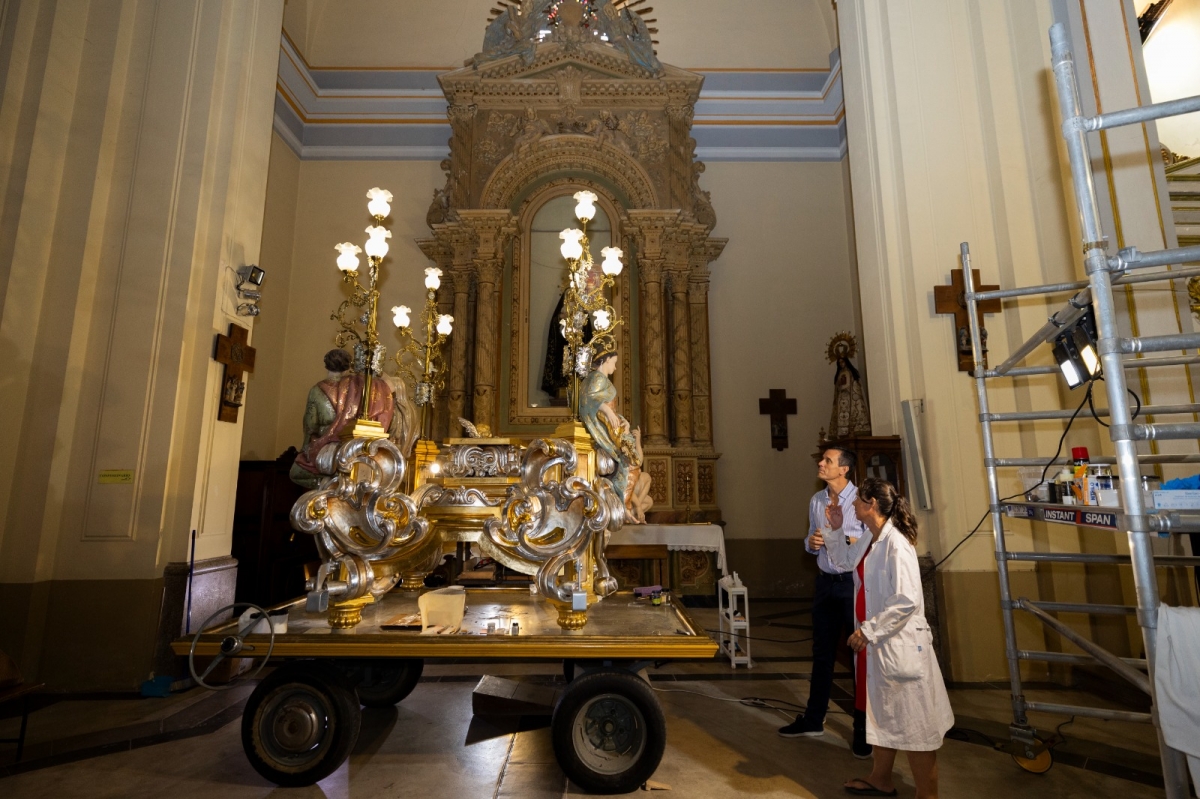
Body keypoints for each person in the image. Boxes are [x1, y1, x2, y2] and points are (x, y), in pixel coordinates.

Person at [820, 478, 954, 798]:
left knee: (915, 725)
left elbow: (907, 599)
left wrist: (869, 630)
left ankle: (927, 795)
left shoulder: (897, 543)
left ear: (872, 505)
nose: (852, 505)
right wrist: (837, 529)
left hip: (900, 645)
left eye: (858, 501)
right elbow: (844, 562)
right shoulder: (872, 536)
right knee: (885, 714)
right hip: (883, 645)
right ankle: (881, 778)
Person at [779, 448, 871, 760]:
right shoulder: (817, 501)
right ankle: (814, 719)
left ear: (844, 469)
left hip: (852, 586)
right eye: (821, 460)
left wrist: (840, 540)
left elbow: (873, 540)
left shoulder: (861, 500)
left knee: (859, 657)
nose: (821, 463)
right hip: (825, 584)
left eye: (828, 461)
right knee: (822, 653)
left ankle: (864, 729)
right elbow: (809, 540)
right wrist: (812, 543)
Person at [578, 351, 651, 524]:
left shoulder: (602, 380)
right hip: (603, 426)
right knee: (629, 462)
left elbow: (612, 410)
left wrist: (622, 421)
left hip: (611, 424)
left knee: (632, 462)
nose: (616, 367)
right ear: (606, 360)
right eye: (614, 362)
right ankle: (623, 506)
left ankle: (624, 505)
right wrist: (607, 410)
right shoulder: (596, 378)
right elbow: (588, 400)